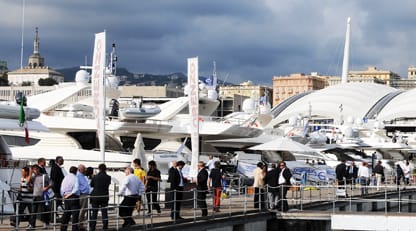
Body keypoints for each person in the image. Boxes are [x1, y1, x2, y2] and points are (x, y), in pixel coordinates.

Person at [89, 164, 111, 231]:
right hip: (104, 196)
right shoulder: (108, 177)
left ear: (99, 169)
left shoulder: (95, 177)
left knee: (94, 213)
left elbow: (91, 185)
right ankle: (105, 226)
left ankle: (92, 227)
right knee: (104, 212)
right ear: (105, 169)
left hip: (95, 196)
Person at [28, 165, 51, 229]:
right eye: (34, 169)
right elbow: (28, 183)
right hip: (35, 195)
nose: (35, 171)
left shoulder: (44, 176)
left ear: (38, 169)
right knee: (33, 211)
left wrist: (47, 187)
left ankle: (46, 223)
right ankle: (32, 225)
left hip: (42, 195)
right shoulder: (33, 177)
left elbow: (51, 183)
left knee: (43, 211)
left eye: (36, 169)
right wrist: (30, 174)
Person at [60, 166, 80, 231]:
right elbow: (76, 189)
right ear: (76, 171)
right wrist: (70, 194)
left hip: (66, 197)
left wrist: (64, 195)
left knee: (66, 214)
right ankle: (74, 229)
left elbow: (62, 188)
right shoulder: (75, 178)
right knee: (75, 215)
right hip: (73, 197)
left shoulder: (65, 177)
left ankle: (63, 228)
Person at [77, 164, 91, 230]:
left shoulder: (83, 176)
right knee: (82, 210)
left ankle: (80, 224)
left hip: (85, 195)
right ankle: (79, 225)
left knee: (83, 210)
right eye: (84, 169)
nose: (85, 170)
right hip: (82, 195)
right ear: (80, 169)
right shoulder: (78, 176)